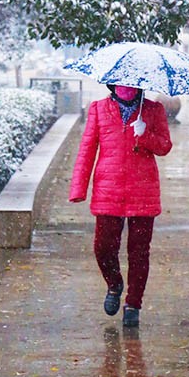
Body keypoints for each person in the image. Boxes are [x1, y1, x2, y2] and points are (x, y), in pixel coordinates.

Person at [69, 84, 172, 328]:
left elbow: (165, 146)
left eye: (132, 83)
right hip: (108, 189)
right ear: (112, 84)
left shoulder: (153, 110)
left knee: (139, 253)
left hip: (142, 190)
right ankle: (114, 285)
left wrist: (145, 134)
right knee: (103, 248)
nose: (126, 87)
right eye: (121, 82)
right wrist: (78, 189)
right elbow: (87, 150)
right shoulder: (99, 109)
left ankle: (133, 304)